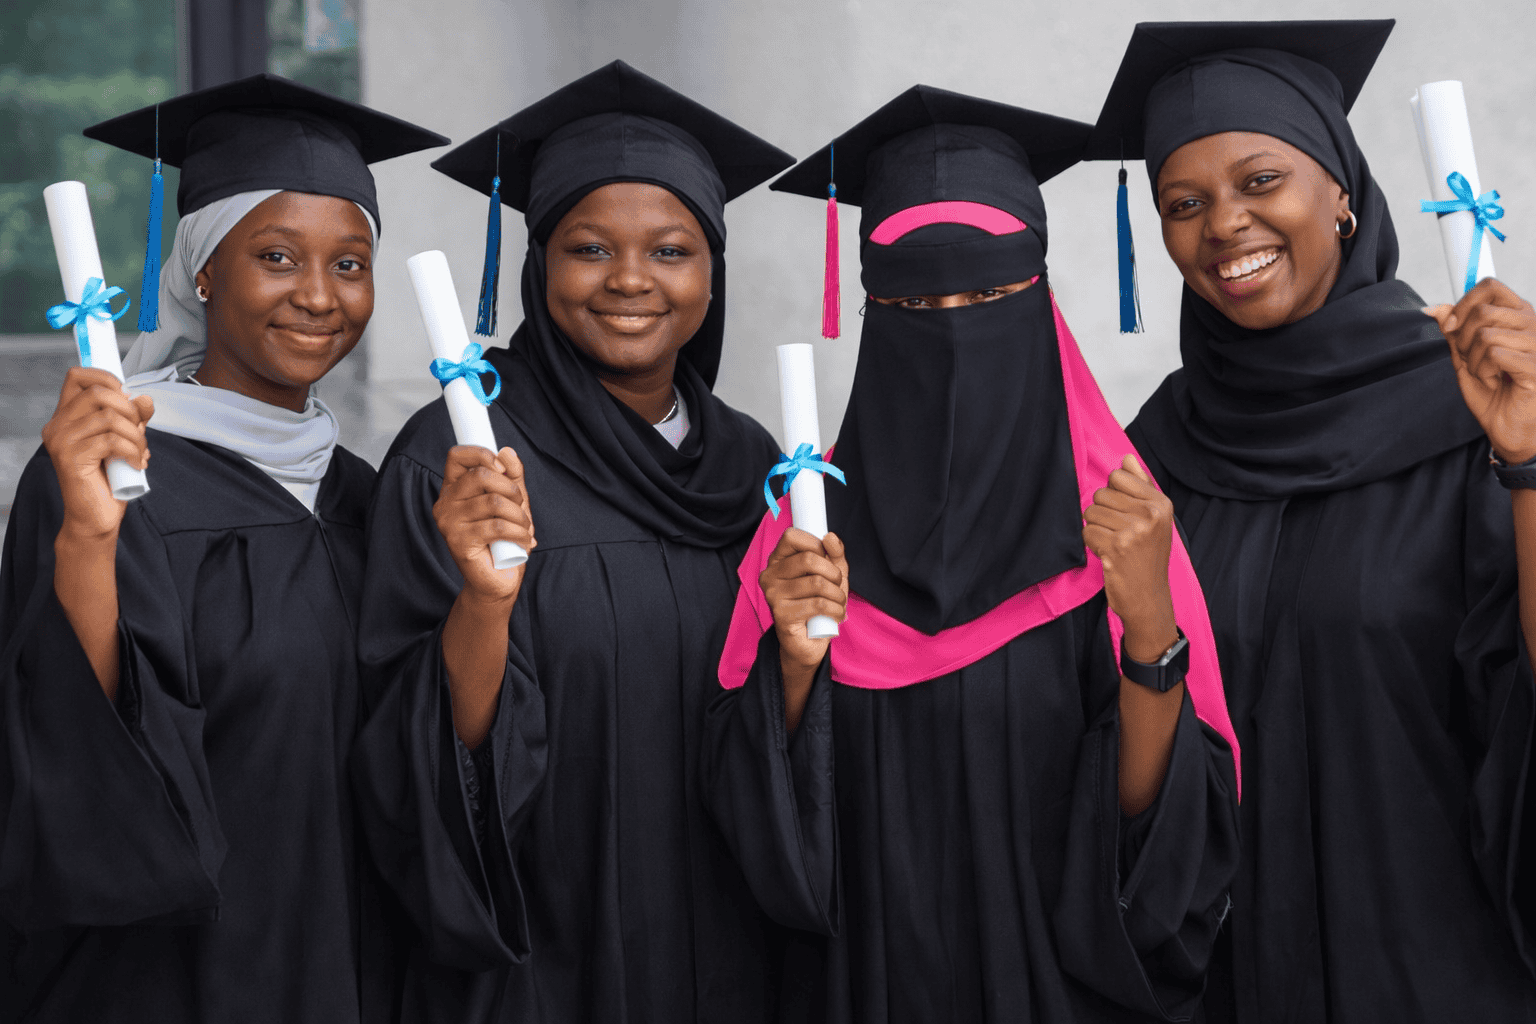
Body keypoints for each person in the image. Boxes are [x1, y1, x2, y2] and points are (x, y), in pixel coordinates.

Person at [703, 85, 1241, 1024]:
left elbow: (1165, 854)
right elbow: (754, 831)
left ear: (1038, 301)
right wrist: (794, 662)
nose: (953, 323)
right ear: (873, 313)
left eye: (989, 293)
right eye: (915, 300)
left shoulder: (1121, 522)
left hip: (1061, 989)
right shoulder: (803, 534)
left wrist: (1148, 622)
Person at [1086, 19, 1536, 1021]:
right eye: (1184, 203)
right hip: (1233, 986)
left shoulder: (1478, 405)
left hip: (1436, 978)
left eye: (1259, 182)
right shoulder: (1151, 460)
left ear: (1341, 190)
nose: (1223, 226)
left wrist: (1530, 462)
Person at [350, 61, 800, 1023]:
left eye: (673, 250)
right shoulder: (462, 460)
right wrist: (485, 600)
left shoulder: (754, 464)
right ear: (538, 264)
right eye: (590, 247)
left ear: (711, 274)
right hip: (539, 965)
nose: (632, 280)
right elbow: (407, 759)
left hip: (727, 958)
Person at [0, 74, 446, 1022]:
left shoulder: (364, 496)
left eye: (351, 264)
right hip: (174, 975)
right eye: (277, 257)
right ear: (203, 269)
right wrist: (86, 535)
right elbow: (65, 736)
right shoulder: (106, 473)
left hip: (350, 962)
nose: (320, 297)